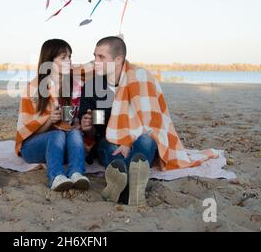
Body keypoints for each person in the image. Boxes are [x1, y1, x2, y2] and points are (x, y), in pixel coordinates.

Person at [79, 36, 217, 206]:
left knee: (146, 140)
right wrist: (88, 128)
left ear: (118, 60)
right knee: (111, 146)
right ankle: (133, 187)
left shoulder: (140, 79)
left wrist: (128, 140)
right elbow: (97, 130)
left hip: (139, 137)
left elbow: (151, 122)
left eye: (101, 57)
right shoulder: (92, 87)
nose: (95, 61)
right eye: (95, 56)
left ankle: (122, 186)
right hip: (109, 139)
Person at [15, 39, 90, 191]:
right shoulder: (33, 89)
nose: (69, 61)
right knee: (57, 134)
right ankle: (56, 177)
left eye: (70, 56)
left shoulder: (74, 86)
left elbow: (95, 68)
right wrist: (50, 120)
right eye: (63, 57)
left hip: (63, 147)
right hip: (32, 147)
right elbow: (27, 133)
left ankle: (76, 173)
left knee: (74, 133)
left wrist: (80, 124)